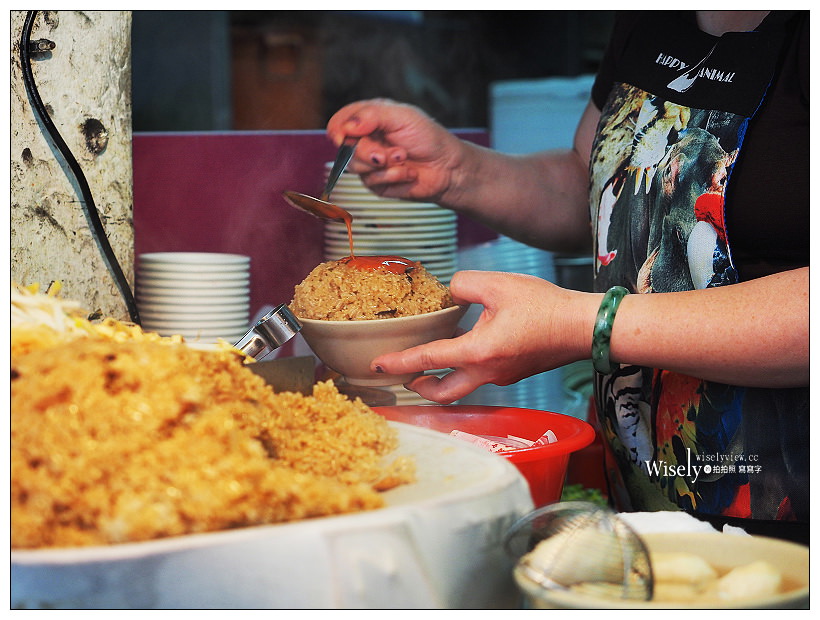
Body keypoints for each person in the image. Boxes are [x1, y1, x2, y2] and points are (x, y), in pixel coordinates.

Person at [326, 10, 809, 543]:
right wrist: (459, 170)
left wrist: (586, 325)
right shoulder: (649, 18)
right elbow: (600, 193)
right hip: (642, 489)